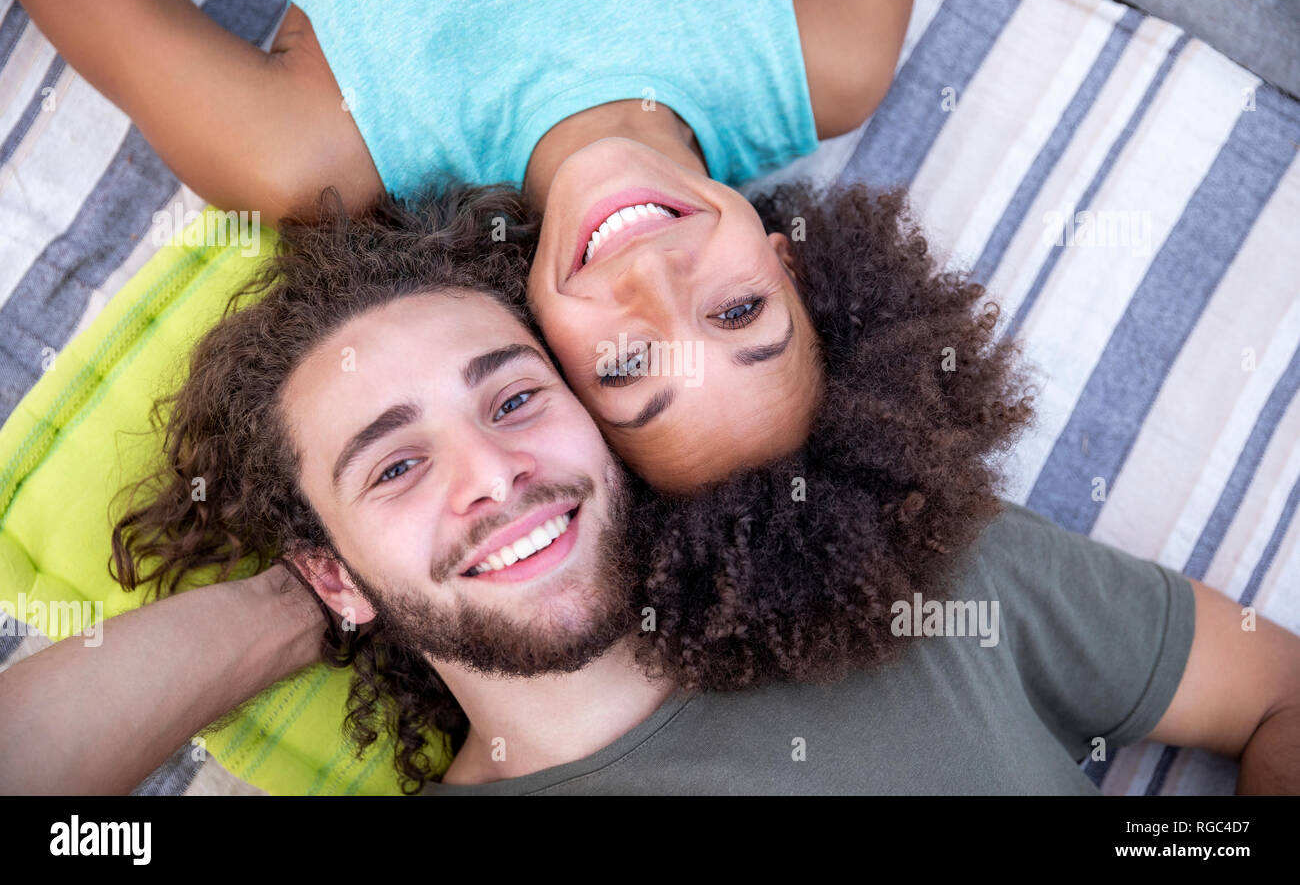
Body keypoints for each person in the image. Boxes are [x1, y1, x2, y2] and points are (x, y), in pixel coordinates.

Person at [2, 186, 1296, 795]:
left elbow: (1276, 694)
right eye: (394, 464)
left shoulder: (913, 577)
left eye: (515, 398)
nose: (495, 475)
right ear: (332, 562)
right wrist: (306, 605)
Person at [0, 0, 923, 491]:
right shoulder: (825, 55)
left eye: (628, 362)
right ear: (789, 262)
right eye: (737, 311)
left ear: (545, 367)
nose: (652, 277)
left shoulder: (319, 158)